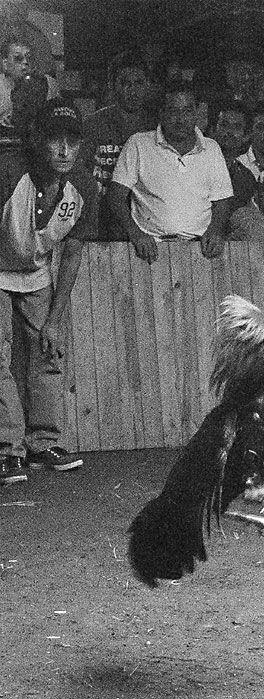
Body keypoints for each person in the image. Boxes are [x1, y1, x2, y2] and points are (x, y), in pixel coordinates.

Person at [0, 99, 96, 485]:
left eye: (72, 142)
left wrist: (55, 320)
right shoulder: (8, 172)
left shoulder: (84, 187)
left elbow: (71, 254)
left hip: (35, 272)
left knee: (48, 349)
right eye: (54, 140)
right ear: (37, 140)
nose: (63, 151)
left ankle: (43, 442)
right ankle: (7, 449)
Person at [107, 82, 233, 264]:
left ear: (197, 112)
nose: (180, 119)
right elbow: (116, 196)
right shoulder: (138, 144)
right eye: (173, 111)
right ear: (161, 113)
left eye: (187, 111)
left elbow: (222, 201)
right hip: (149, 250)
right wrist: (136, 234)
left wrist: (215, 231)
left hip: (199, 250)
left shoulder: (211, 148)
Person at [80, 51, 152, 239]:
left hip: (144, 215)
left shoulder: (155, 126)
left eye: (138, 83)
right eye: (125, 84)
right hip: (100, 214)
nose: (133, 91)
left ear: (148, 85)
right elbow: (80, 170)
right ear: (112, 86)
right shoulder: (93, 124)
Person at [208, 99, 252, 209]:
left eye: (237, 127)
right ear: (213, 130)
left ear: (246, 136)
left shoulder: (246, 179)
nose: (229, 132)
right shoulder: (196, 166)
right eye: (224, 125)